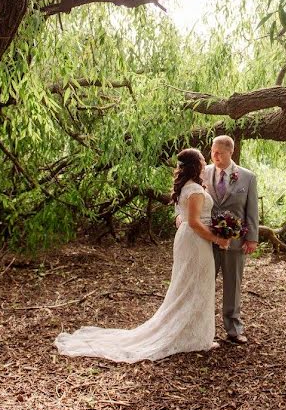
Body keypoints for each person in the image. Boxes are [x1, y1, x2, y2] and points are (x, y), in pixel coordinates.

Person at [53, 148, 230, 363]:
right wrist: (218, 238)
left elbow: (182, 218)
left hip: (190, 239)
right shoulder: (193, 189)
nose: (205, 162)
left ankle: (194, 332)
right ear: (196, 165)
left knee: (190, 284)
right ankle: (192, 336)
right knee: (193, 285)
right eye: (202, 159)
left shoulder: (187, 187)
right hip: (195, 241)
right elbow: (193, 222)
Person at [203, 135, 259, 343]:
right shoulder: (203, 172)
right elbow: (186, 195)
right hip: (206, 239)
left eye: (219, 153)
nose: (214, 156)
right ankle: (204, 327)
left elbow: (252, 210)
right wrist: (180, 216)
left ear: (230, 152)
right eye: (212, 152)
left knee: (232, 285)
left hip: (234, 241)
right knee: (204, 283)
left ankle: (234, 329)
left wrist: (252, 238)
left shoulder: (247, 177)